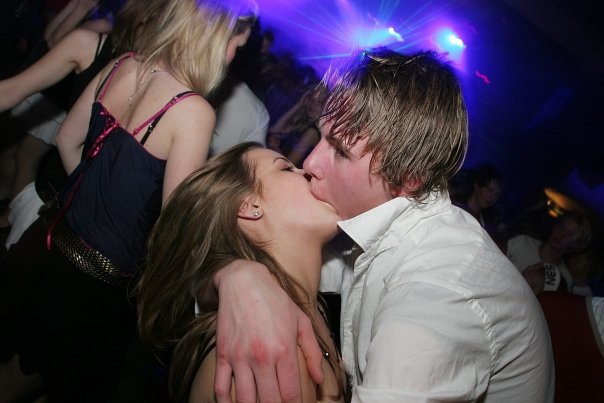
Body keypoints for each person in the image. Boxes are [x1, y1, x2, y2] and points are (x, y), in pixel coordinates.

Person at [201, 48, 555, 402]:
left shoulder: (436, 293)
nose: (309, 163)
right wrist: (238, 276)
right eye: (320, 135)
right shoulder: (369, 228)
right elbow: (276, 265)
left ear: (408, 177)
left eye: (340, 151)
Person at [0, 0, 256, 400]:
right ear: (214, 35)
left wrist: (97, 199)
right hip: (91, 285)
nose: (232, 57)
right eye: (235, 45)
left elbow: (67, 140)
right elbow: (175, 223)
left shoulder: (123, 63)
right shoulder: (193, 111)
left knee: (16, 362)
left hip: (44, 243)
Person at [137, 142, 345, 402]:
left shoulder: (317, 304)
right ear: (248, 206)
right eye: (286, 168)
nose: (306, 170)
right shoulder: (262, 349)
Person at [507, 211, 592, 294]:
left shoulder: (564, 278)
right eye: (561, 227)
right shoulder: (522, 242)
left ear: (576, 243)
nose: (561, 234)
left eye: (570, 234)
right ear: (554, 227)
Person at [267, 87, 326, 167]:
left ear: (327, 106)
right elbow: (274, 130)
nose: (313, 104)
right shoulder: (303, 122)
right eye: (311, 99)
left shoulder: (312, 132)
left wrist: (275, 147)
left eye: (320, 102)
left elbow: (289, 166)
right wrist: (299, 104)